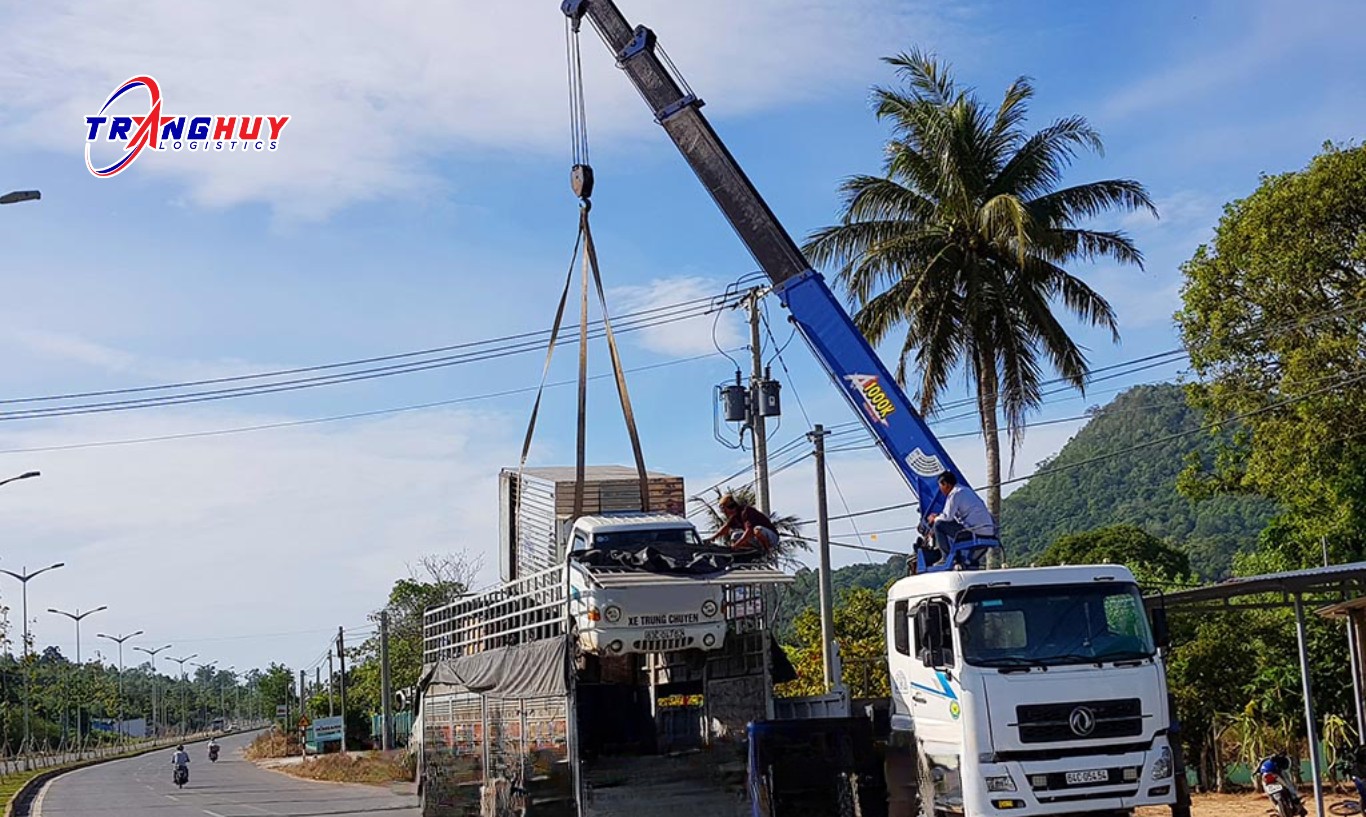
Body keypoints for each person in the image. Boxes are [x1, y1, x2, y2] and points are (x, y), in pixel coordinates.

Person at [925, 471, 996, 564]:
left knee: (939, 525)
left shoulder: (955, 494)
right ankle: (964, 560)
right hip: (988, 531)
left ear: (945, 484)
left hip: (974, 532)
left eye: (940, 486)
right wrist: (939, 516)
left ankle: (946, 557)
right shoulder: (965, 490)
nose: (941, 490)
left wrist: (934, 518)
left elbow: (947, 517)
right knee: (949, 525)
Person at [709, 494, 780, 555]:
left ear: (730, 507)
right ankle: (752, 553)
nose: (725, 513)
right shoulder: (735, 516)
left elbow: (749, 532)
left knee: (757, 530)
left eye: (725, 511)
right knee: (736, 536)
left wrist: (737, 544)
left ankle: (767, 552)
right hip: (757, 539)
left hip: (771, 537)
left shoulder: (746, 511)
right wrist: (712, 538)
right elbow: (725, 528)